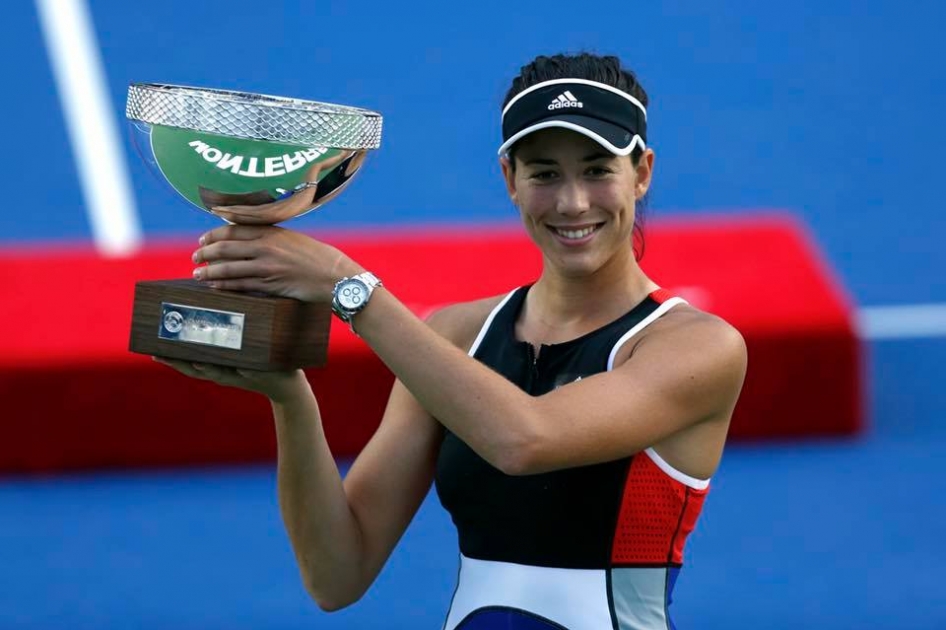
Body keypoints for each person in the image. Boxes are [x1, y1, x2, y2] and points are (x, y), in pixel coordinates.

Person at [155, 52, 748, 630]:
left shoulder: (697, 349)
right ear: (509, 179)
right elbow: (337, 575)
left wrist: (348, 288)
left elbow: (525, 439)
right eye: (544, 172)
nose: (573, 202)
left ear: (641, 173)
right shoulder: (456, 336)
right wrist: (290, 398)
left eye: (598, 170)